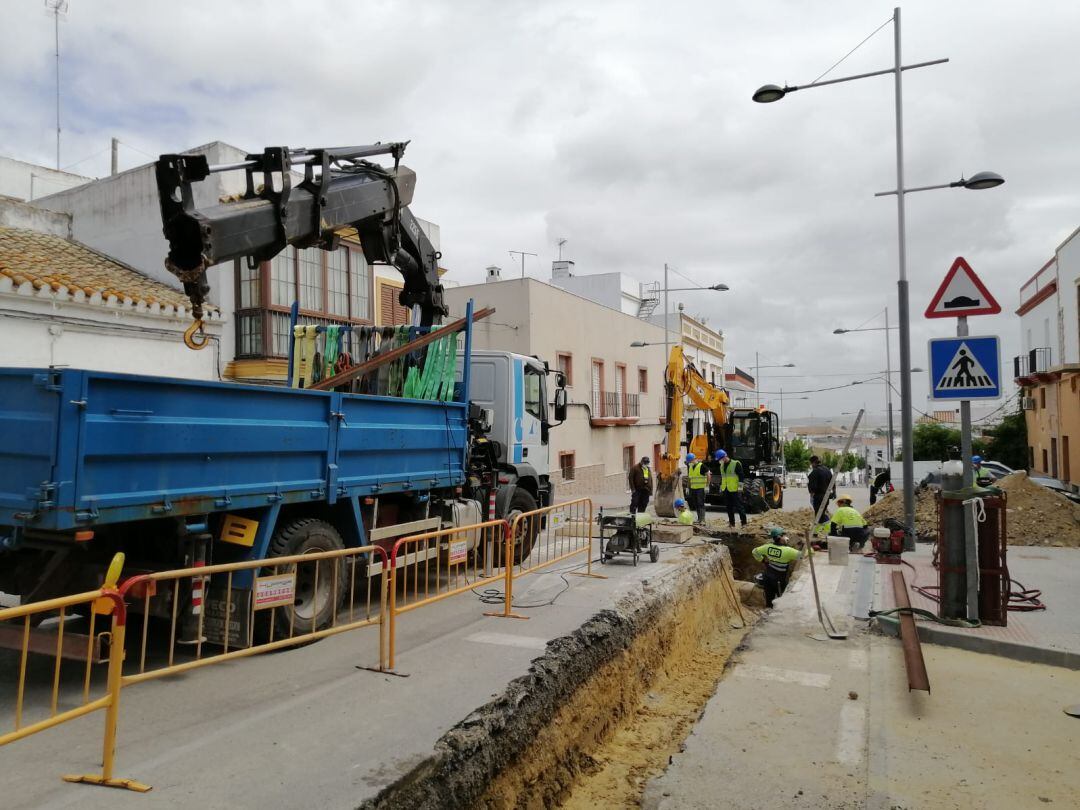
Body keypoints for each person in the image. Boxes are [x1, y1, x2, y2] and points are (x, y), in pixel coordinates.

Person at [752, 527, 803, 608]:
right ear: (780, 537)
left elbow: (754, 551)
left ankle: (768, 612)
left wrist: (763, 560)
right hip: (779, 580)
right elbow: (804, 555)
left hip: (767, 577)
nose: (786, 537)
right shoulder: (788, 551)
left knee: (769, 599)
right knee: (781, 600)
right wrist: (810, 548)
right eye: (784, 535)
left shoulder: (767, 547)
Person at [715, 449, 747, 528]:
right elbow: (723, 477)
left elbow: (741, 477)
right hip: (726, 489)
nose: (719, 461)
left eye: (720, 459)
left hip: (735, 489)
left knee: (739, 507)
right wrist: (721, 487)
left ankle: (744, 523)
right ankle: (732, 523)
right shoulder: (721, 466)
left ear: (724, 457)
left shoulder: (736, 464)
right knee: (729, 507)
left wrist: (740, 488)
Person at [685, 452, 711, 524]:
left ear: (693, 460)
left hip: (701, 488)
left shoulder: (701, 466)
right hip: (693, 488)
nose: (689, 463)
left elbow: (708, 475)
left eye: (689, 462)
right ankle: (699, 519)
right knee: (696, 503)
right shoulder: (690, 467)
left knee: (700, 503)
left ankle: (702, 520)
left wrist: (707, 486)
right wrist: (688, 487)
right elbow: (689, 479)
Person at [807, 455, 833, 521]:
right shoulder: (827, 470)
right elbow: (832, 482)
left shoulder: (815, 472)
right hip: (826, 496)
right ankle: (825, 525)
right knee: (822, 512)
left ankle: (826, 524)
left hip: (818, 497)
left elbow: (812, 487)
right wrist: (834, 492)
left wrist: (812, 495)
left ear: (813, 463)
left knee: (819, 515)